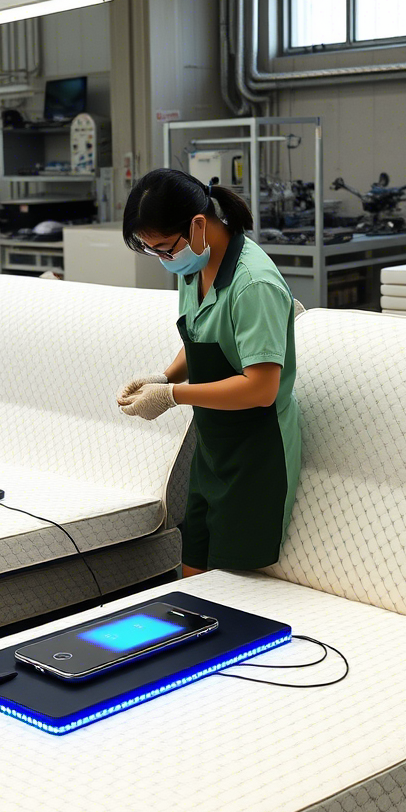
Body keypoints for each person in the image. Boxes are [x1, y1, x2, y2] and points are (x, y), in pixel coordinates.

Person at [117, 169, 300, 577]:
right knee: (193, 563)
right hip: (213, 445)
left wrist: (174, 396)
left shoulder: (253, 284)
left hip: (256, 452)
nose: (165, 259)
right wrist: (164, 378)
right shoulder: (192, 268)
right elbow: (204, 338)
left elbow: (261, 388)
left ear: (199, 224)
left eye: (165, 248)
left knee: (233, 583)